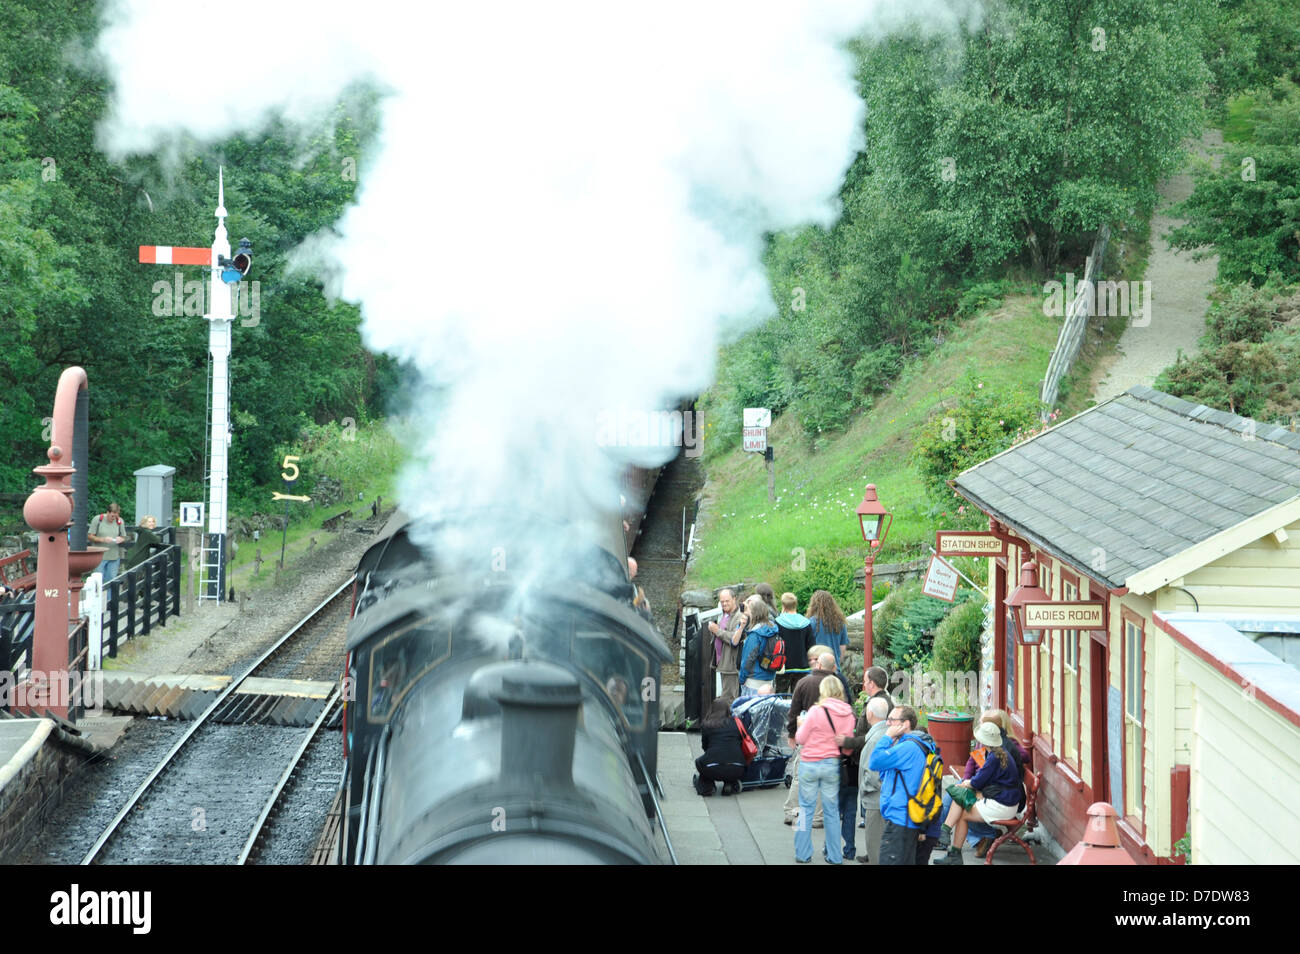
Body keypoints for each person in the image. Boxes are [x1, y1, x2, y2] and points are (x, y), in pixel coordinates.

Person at [933, 720, 1026, 865]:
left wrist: (967, 783)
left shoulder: (994, 757)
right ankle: (948, 839)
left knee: (962, 812)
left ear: (983, 740)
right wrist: (968, 785)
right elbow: (984, 780)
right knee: (961, 797)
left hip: (1003, 804)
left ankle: (951, 846)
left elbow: (977, 782)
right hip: (1004, 798)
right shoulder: (999, 752)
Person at [793, 676, 856, 863]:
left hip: (810, 764)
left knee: (804, 810)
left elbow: (800, 738)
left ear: (823, 691)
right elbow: (847, 748)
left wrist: (801, 726)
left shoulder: (815, 711)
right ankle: (835, 856)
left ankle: (802, 853)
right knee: (832, 812)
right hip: (831, 764)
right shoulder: (849, 714)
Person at [949, 708, 1029, 856]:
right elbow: (973, 761)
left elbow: (981, 780)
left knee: (960, 802)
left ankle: (956, 841)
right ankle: (945, 836)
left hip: (1001, 798)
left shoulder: (1000, 752)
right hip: (996, 792)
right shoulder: (994, 749)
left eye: (983, 723)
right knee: (956, 796)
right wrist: (967, 779)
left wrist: (969, 783)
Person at [868, 705, 938, 865]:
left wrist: (886, 737)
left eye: (892, 720)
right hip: (907, 820)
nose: (888, 724)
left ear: (905, 724)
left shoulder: (908, 748)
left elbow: (874, 761)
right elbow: (885, 774)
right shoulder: (916, 746)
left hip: (899, 821)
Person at [783, 644, 835, 827]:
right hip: (829, 738)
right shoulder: (837, 684)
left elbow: (794, 711)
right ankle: (818, 818)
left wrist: (792, 734)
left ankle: (793, 812)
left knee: (799, 776)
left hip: (807, 735)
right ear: (833, 667)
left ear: (819, 664)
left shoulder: (804, 682)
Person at [840, 695, 891, 863]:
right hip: (884, 799)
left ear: (870, 714)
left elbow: (873, 775)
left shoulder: (874, 739)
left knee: (874, 847)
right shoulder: (886, 735)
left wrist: (864, 789)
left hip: (875, 800)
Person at [694, 696, 746, 796]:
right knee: (729, 763)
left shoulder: (707, 725)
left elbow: (705, 746)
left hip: (713, 768)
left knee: (699, 762)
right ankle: (729, 782)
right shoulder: (736, 723)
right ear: (728, 709)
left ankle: (707, 786)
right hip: (738, 767)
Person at [707, 589, 747, 700]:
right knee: (726, 697)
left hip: (731, 667)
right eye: (722, 601)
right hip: (723, 664)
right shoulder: (725, 615)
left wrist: (717, 631)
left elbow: (734, 639)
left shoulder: (739, 617)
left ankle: (729, 718)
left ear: (734, 599)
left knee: (729, 699)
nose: (724, 604)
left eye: (727, 601)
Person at [737, 595, 778, 696]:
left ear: (754, 614)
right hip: (769, 679)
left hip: (753, 682)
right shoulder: (773, 629)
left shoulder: (755, 634)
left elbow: (748, 659)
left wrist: (741, 679)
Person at [88, 503, 128, 581]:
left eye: (116, 516)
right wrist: (103, 539)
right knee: (98, 582)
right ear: (108, 512)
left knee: (112, 582)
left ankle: (110, 594)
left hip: (114, 557)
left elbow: (124, 537)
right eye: (112, 516)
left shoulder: (120, 521)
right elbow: (90, 536)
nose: (114, 518)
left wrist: (121, 539)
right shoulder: (98, 519)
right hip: (99, 557)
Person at [806, 590, 849, 665]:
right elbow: (842, 647)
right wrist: (838, 661)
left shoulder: (811, 622)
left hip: (817, 666)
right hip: (833, 665)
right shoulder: (840, 622)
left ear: (813, 605)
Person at [774, 592, 813, 667]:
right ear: (795, 605)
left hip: (783, 666)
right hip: (803, 666)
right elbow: (811, 645)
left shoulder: (778, 622)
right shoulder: (806, 622)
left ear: (783, 606)